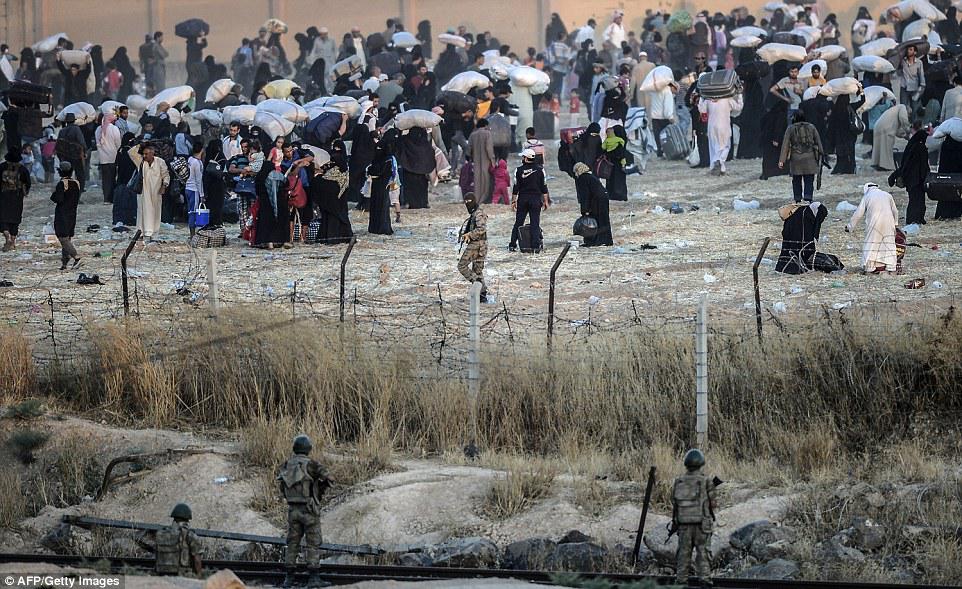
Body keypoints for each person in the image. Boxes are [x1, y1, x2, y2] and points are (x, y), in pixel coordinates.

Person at [277, 435, 332, 589]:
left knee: (292, 543)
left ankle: (288, 579)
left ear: (295, 448)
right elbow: (329, 478)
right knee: (313, 543)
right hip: (309, 510)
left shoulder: (287, 464)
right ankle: (313, 578)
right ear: (308, 449)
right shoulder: (312, 464)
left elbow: (282, 486)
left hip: (293, 510)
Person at [672, 449, 718, 587]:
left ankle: (681, 582)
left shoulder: (678, 481)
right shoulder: (706, 481)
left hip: (684, 525)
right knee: (703, 554)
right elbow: (713, 503)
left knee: (683, 555)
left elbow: (675, 503)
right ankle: (705, 581)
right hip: (702, 525)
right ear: (701, 463)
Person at [846, 183, 899, 274]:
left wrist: (850, 226)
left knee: (871, 245)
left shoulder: (867, 196)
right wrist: (895, 224)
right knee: (888, 244)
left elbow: (858, 213)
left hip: (874, 223)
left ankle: (869, 268)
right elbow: (895, 211)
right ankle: (891, 267)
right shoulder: (887, 195)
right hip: (889, 222)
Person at [140, 503, 202, 576]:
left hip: (161, 573)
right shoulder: (190, 535)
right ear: (188, 519)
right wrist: (199, 576)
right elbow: (197, 559)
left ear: (174, 518)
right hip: (182, 574)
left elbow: (140, 539)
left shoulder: (162, 533)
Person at [128, 142, 170, 243]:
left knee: (155, 212)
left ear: (152, 154)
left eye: (147, 154)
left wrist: (164, 185)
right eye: (144, 154)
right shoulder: (141, 162)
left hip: (156, 192)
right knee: (142, 212)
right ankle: (141, 233)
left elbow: (166, 175)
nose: (144, 156)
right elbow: (131, 152)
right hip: (144, 192)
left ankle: (153, 234)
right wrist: (142, 144)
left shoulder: (160, 162)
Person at [509, 149, 549, 252]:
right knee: (535, 223)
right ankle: (535, 247)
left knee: (518, 223)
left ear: (526, 158)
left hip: (523, 199)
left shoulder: (518, 170)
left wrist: (513, 201)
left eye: (523, 157)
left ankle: (512, 244)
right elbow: (544, 187)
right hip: (535, 199)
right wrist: (546, 201)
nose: (522, 158)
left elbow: (516, 188)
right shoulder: (540, 170)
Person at [779, 111, 824, 203]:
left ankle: (798, 198)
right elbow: (818, 141)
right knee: (809, 179)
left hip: (796, 158)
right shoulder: (811, 127)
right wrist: (821, 154)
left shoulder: (790, 128)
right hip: (810, 157)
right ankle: (808, 197)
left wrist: (781, 160)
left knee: (796, 180)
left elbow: (785, 145)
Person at [889, 128, 929, 225]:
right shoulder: (921, 148)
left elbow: (905, 165)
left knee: (913, 200)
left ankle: (914, 219)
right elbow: (924, 165)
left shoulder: (911, 146)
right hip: (918, 179)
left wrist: (895, 175)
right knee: (918, 200)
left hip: (911, 179)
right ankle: (916, 219)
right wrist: (927, 177)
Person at [699, 92, 744, 175]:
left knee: (713, 146)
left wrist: (702, 98)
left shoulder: (708, 100)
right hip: (724, 126)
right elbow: (739, 107)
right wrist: (739, 95)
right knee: (726, 146)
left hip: (712, 126)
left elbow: (702, 110)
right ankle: (719, 161)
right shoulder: (727, 99)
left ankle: (718, 168)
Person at [50, 161, 82, 270]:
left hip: (62, 214)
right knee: (67, 238)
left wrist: (54, 195)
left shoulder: (62, 184)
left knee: (63, 238)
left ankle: (77, 258)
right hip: (72, 213)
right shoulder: (76, 183)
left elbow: (58, 199)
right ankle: (64, 263)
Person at [368, 128, 400, 235]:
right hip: (383, 179)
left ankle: (377, 227)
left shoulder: (384, 147)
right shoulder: (387, 150)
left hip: (379, 179)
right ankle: (382, 227)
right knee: (382, 203)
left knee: (379, 203)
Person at [457, 192, 489, 300]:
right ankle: (482, 294)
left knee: (462, 266)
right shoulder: (474, 213)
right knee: (477, 271)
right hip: (478, 244)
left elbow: (481, 229)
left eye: (469, 201)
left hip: (478, 244)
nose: (467, 204)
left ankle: (479, 286)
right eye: (465, 202)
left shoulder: (479, 213)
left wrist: (469, 235)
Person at [573, 162, 613, 247]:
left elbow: (585, 195)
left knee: (593, 221)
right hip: (604, 198)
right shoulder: (591, 176)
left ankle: (594, 241)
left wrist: (585, 210)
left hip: (596, 201)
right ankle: (606, 240)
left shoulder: (582, 178)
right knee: (603, 219)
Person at [828, 91, 865, 175]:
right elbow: (862, 101)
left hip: (839, 135)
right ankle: (851, 168)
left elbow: (831, 123)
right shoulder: (850, 107)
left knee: (840, 153)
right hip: (849, 134)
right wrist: (861, 92)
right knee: (851, 152)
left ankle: (840, 168)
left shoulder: (835, 109)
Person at [0, 150, 31, 252]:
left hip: (3, 196)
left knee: (2, 218)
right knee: (15, 219)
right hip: (17, 197)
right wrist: (24, 193)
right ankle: (13, 242)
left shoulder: (1, 167)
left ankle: (7, 237)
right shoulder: (22, 169)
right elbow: (28, 183)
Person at [872, 104, 910, 171]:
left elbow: (897, 131)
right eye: (908, 114)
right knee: (887, 149)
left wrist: (904, 136)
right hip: (886, 128)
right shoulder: (902, 107)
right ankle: (888, 167)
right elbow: (903, 119)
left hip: (878, 126)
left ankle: (877, 164)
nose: (908, 116)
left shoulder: (893, 111)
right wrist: (908, 130)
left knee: (879, 149)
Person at [57, 113, 88, 192]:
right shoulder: (76, 129)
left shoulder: (62, 131)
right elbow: (82, 142)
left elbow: (58, 145)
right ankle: (78, 193)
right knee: (80, 176)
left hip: (65, 156)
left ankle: (66, 192)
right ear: (74, 121)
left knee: (66, 176)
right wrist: (85, 151)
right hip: (76, 156)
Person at [95, 113, 122, 204]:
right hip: (113, 157)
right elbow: (118, 143)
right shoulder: (114, 129)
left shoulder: (98, 129)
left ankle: (106, 198)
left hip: (103, 159)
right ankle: (112, 197)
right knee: (112, 178)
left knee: (105, 179)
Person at [467, 119, 496, 204]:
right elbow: (489, 148)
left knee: (477, 180)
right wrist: (492, 160)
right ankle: (484, 198)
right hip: (486, 160)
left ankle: (477, 198)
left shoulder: (472, 135)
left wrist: (470, 158)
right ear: (486, 125)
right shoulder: (488, 134)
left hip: (476, 160)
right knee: (486, 179)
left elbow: (469, 149)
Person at [760, 100, 790, 180]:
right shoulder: (781, 115)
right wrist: (776, 139)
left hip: (767, 139)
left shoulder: (769, 114)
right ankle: (777, 171)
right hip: (775, 139)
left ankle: (766, 172)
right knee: (777, 155)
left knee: (768, 157)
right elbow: (778, 128)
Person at [602, 125, 629, 201]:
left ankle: (615, 195)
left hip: (614, 164)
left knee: (614, 181)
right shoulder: (621, 140)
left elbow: (618, 154)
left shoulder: (618, 141)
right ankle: (619, 195)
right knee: (619, 181)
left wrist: (607, 153)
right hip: (619, 165)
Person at [898, 45, 925, 119]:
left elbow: (921, 77)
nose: (908, 51)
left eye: (910, 50)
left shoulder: (919, 63)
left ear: (915, 52)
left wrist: (921, 89)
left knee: (915, 109)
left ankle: (914, 126)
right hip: (904, 88)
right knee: (903, 108)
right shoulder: (903, 61)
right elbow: (897, 71)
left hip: (914, 88)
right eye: (908, 50)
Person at [185, 142, 205, 238]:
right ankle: (192, 234)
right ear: (201, 150)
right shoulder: (198, 163)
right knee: (193, 212)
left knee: (190, 211)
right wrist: (202, 194)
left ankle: (191, 232)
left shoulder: (190, 159)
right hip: (194, 190)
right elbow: (199, 180)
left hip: (187, 188)